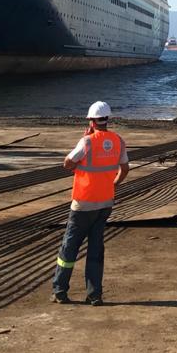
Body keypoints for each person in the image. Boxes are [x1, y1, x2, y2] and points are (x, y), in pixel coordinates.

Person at [52, 101, 129, 305]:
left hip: (83, 203)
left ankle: (60, 290)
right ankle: (94, 295)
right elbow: (125, 168)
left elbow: (67, 163)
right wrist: (114, 184)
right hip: (105, 203)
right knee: (96, 248)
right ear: (107, 120)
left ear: (92, 121)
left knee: (69, 248)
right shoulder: (118, 140)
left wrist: (85, 141)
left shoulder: (87, 142)